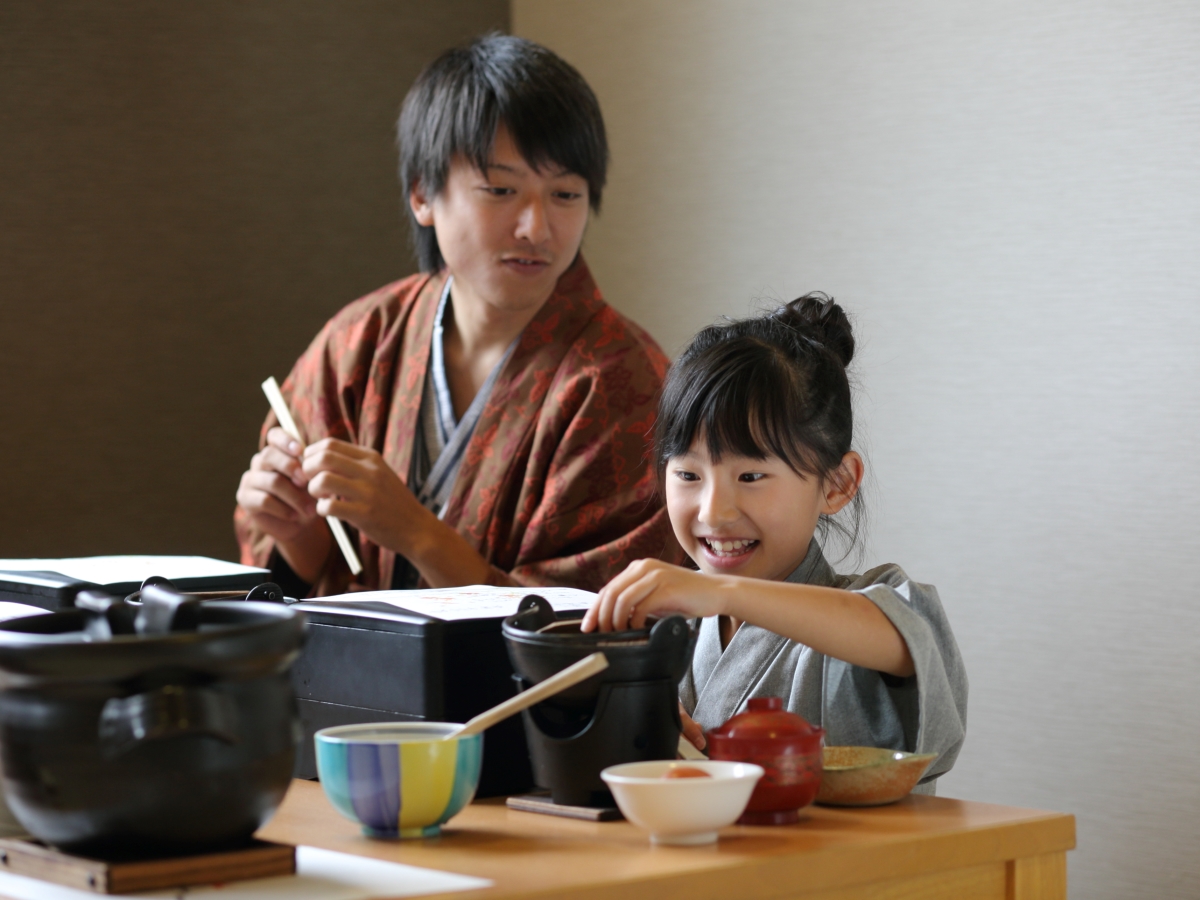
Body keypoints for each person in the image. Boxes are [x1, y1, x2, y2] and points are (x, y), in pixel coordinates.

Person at [235, 34, 678, 597]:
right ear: (423, 194)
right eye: (500, 189)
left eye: (565, 195)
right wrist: (296, 534)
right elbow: (301, 579)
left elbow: (595, 626)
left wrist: (417, 533)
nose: (536, 229)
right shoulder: (359, 341)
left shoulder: (624, 383)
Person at [583, 295, 967, 788]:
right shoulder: (669, 628)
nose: (713, 512)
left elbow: (905, 641)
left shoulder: (871, 609)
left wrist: (719, 592)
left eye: (750, 475)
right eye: (687, 473)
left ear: (836, 484)